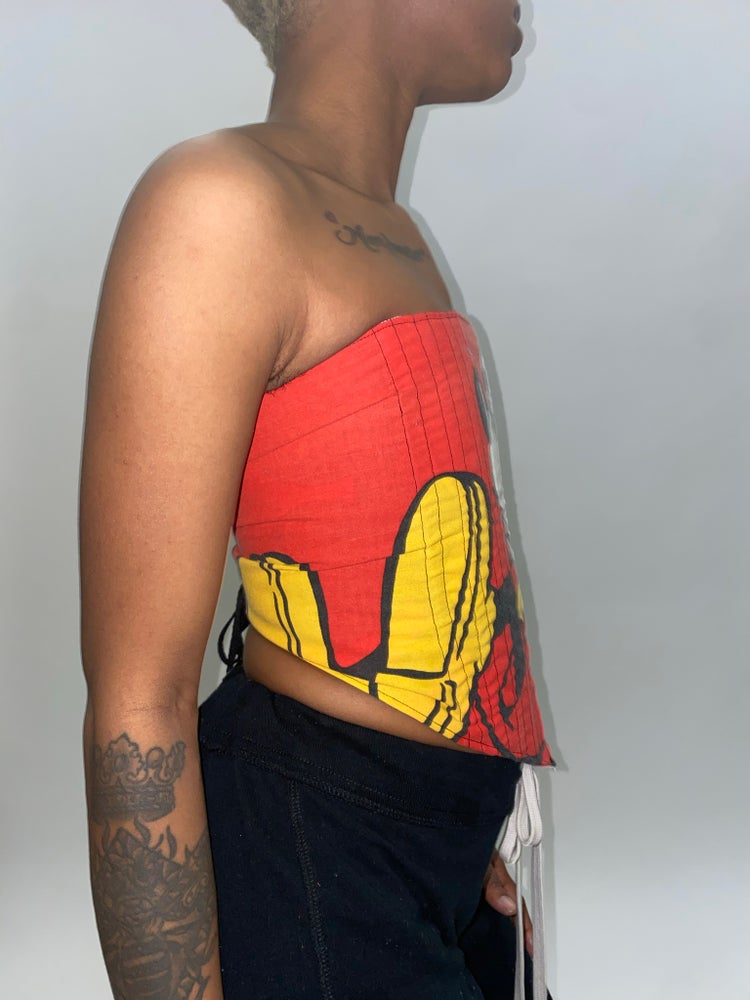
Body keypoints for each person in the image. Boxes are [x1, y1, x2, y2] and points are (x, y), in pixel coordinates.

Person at [79, 1, 556, 998]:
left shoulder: (396, 234)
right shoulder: (218, 201)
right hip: (316, 851)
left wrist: (452, 815)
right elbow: (137, 700)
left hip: (432, 855)